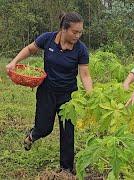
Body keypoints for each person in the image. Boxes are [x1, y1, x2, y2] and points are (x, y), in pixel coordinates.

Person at [6, 12, 92, 174]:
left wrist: (91, 95)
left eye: (80, 32)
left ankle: (66, 168)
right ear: (64, 29)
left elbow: (85, 75)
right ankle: (32, 136)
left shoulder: (81, 49)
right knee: (44, 128)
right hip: (47, 91)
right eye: (75, 32)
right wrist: (14, 62)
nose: (78, 35)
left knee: (68, 132)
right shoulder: (48, 38)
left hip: (69, 96)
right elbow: (30, 49)